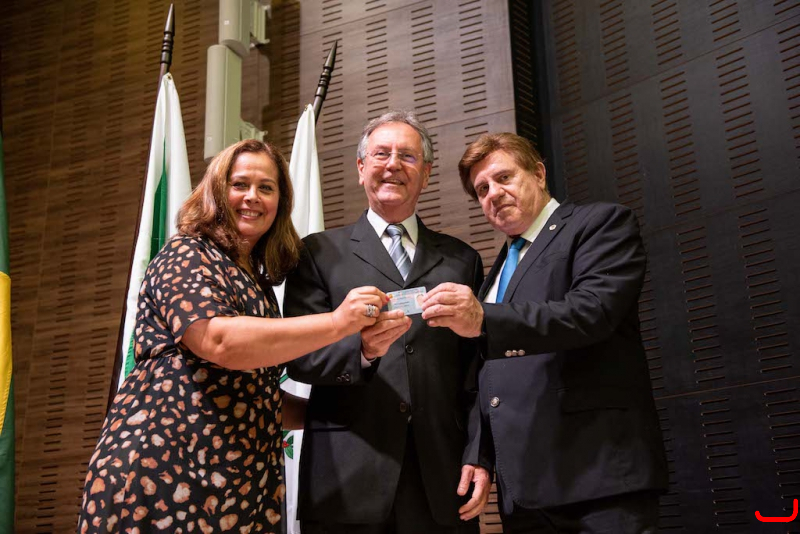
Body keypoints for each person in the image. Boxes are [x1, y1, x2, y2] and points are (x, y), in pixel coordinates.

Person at [77, 139, 396, 534]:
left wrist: (352, 415)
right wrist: (338, 323)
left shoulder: (258, 284)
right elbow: (219, 342)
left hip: (239, 481)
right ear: (215, 191)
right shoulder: (187, 253)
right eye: (240, 184)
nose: (252, 197)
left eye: (266, 188)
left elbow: (254, 393)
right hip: (165, 468)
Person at [421, 133, 669, 533]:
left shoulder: (600, 224)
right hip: (524, 492)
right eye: (482, 189)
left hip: (598, 477)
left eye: (504, 177)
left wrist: (485, 320)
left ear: (538, 173)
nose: (493, 193)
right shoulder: (497, 272)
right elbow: (488, 371)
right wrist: (481, 456)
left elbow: (592, 312)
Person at [283, 110, 491, 534]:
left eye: (408, 156)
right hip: (346, 475)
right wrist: (361, 351)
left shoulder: (462, 259)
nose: (393, 164)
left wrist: (479, 454)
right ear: (361, 168)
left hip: (442, 477)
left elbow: (478, 374)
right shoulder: (317, 253)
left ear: (426, 174)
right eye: (381, 154)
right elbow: (299, 357)